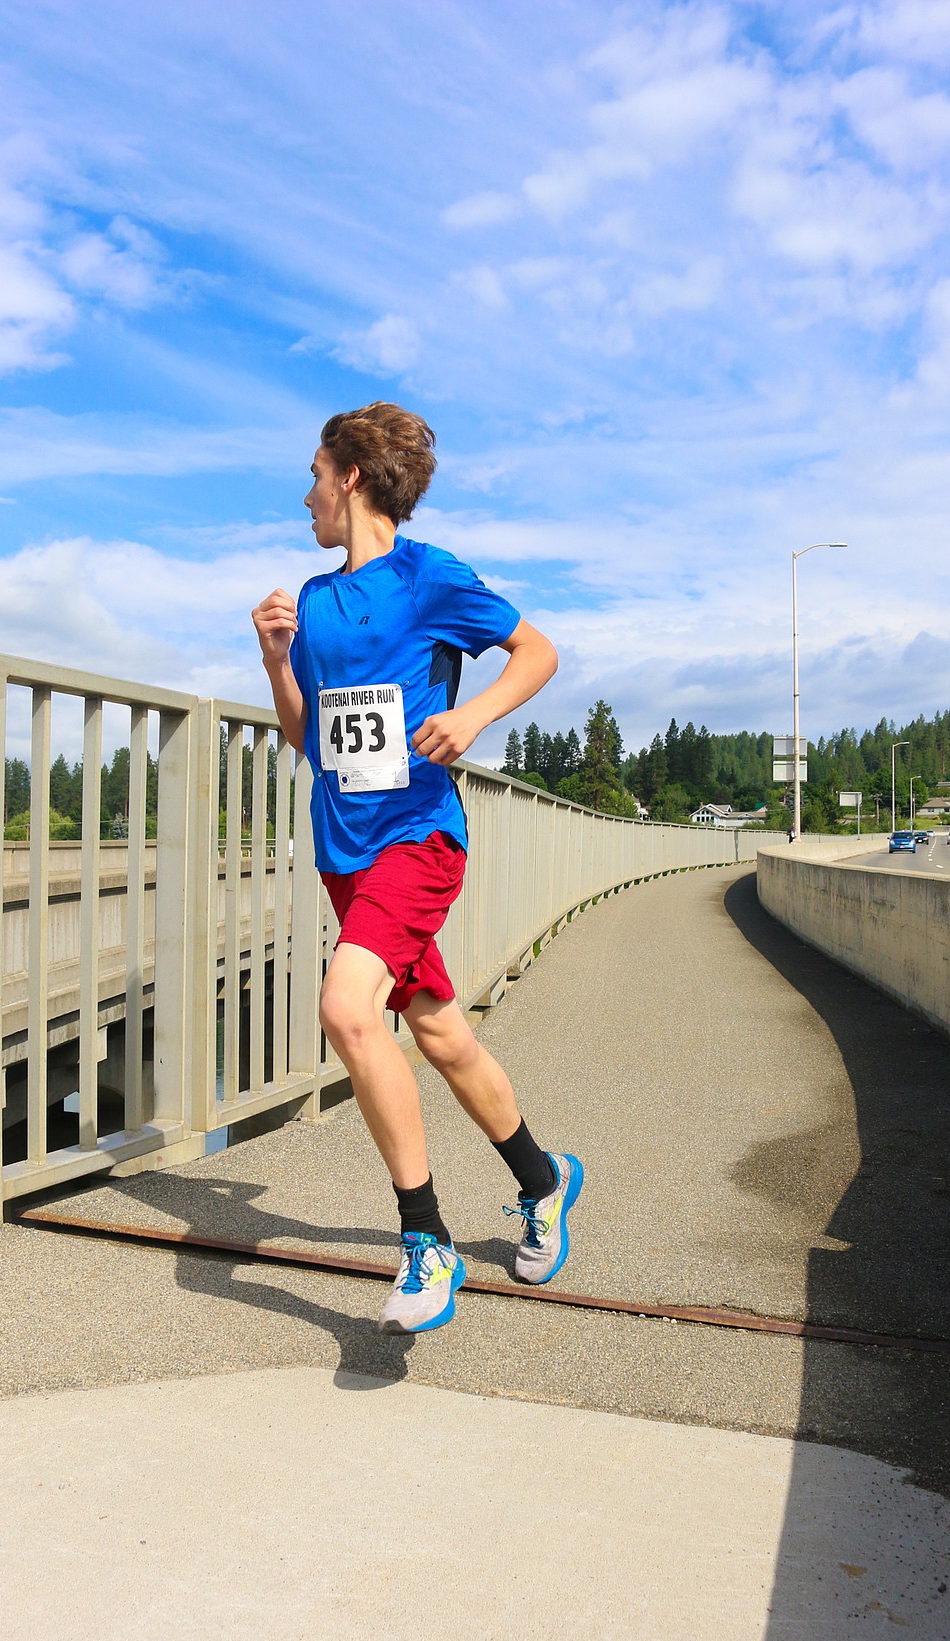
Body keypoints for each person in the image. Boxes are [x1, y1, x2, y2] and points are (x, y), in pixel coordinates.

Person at [251, 402, 583, 1335]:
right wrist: (277, 657)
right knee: (439, 1031)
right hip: (343, 848)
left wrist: (473, 718)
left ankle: (425, 1243)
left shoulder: (427, 575)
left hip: (417, 837)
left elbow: (539, 650)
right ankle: (546, 1182)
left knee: (347, 1010)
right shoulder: (314, 603)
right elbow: (306, 734)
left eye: (315, 473)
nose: (307, 493)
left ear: (350, 475)